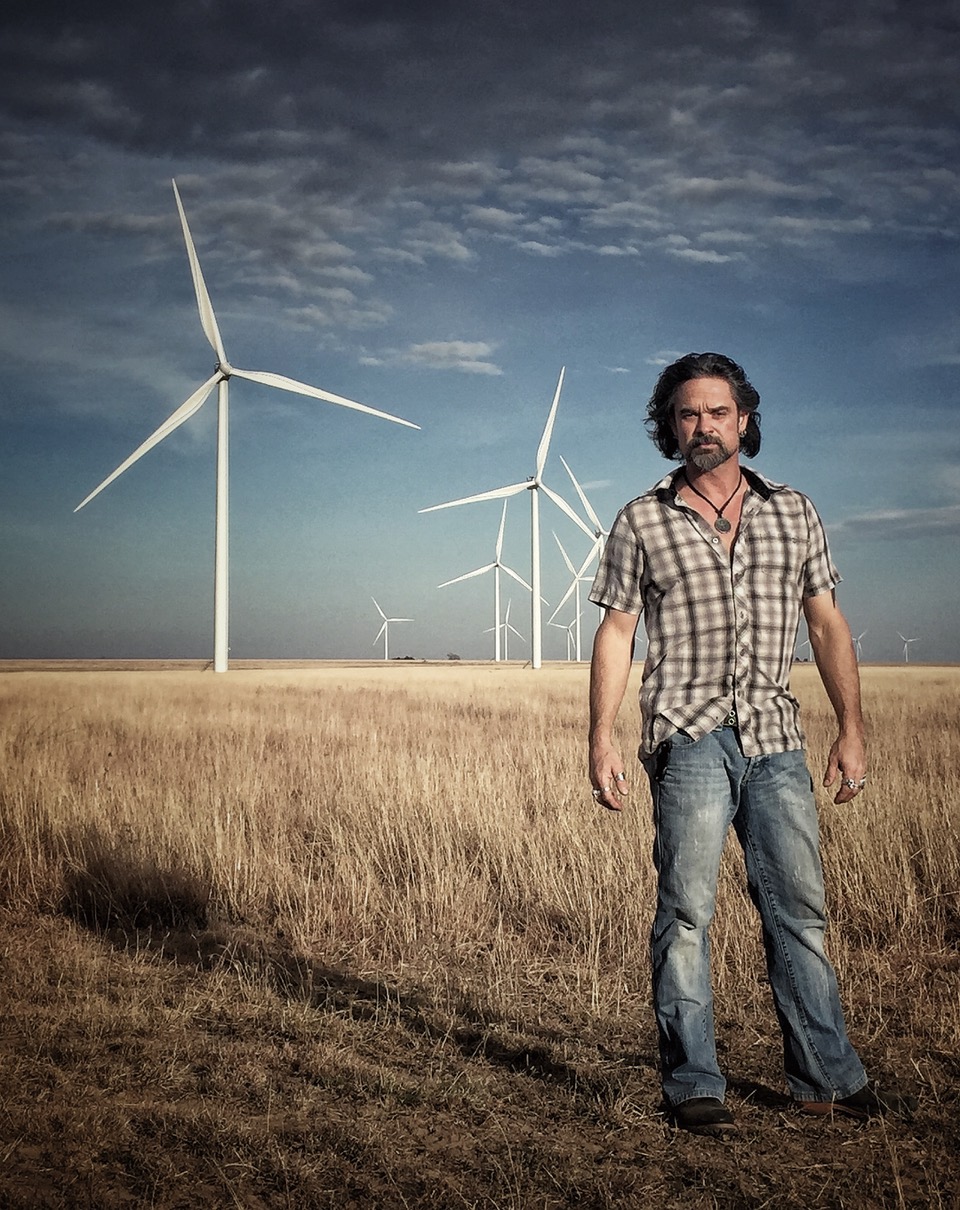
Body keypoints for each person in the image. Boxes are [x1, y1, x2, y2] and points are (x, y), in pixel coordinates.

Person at [587, 352, 915, 1137]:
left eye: (718, 412)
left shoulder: (794, 511)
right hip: (687, 738)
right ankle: (693, 1082)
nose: (704, 426)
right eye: (687, 414)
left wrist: (853, 727)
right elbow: (617, 630)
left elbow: (826, 623)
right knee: (686, 913)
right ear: (669, 426)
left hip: (775, 738)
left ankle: (825, 1078)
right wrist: (599, 735)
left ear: (745, 419)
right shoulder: (641, 518)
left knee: (798, 912)